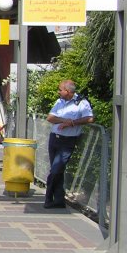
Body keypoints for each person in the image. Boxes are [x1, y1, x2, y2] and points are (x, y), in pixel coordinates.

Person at [44, 80, 94, 209]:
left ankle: (48, 197)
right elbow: (50, 118)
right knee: (57, 170)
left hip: (68, 140)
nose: (58, 92)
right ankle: (59, 200)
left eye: (60, 89)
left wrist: (72, 123)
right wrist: (64, 120)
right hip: (54, 138)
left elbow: (89, 118)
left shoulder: (81, 103)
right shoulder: (59, 101)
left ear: (68, 91)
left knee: (56, 170)